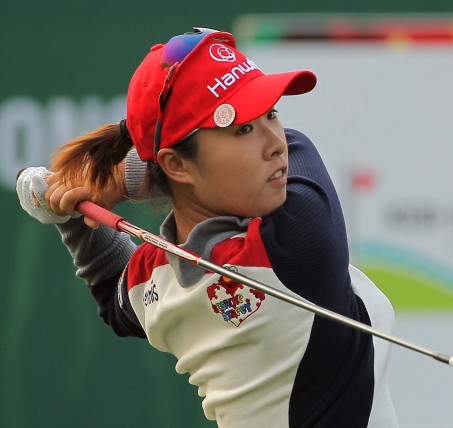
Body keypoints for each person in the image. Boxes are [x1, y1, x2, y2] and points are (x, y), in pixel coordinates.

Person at [15, 27, 399, 427]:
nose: (275, 142)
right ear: (176, 165)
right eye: (243, 129)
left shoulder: (154, 277)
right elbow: (298, 145)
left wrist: (74, 218)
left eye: (271, 113)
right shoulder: (292, 249)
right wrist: (122, 180)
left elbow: (115, 297)